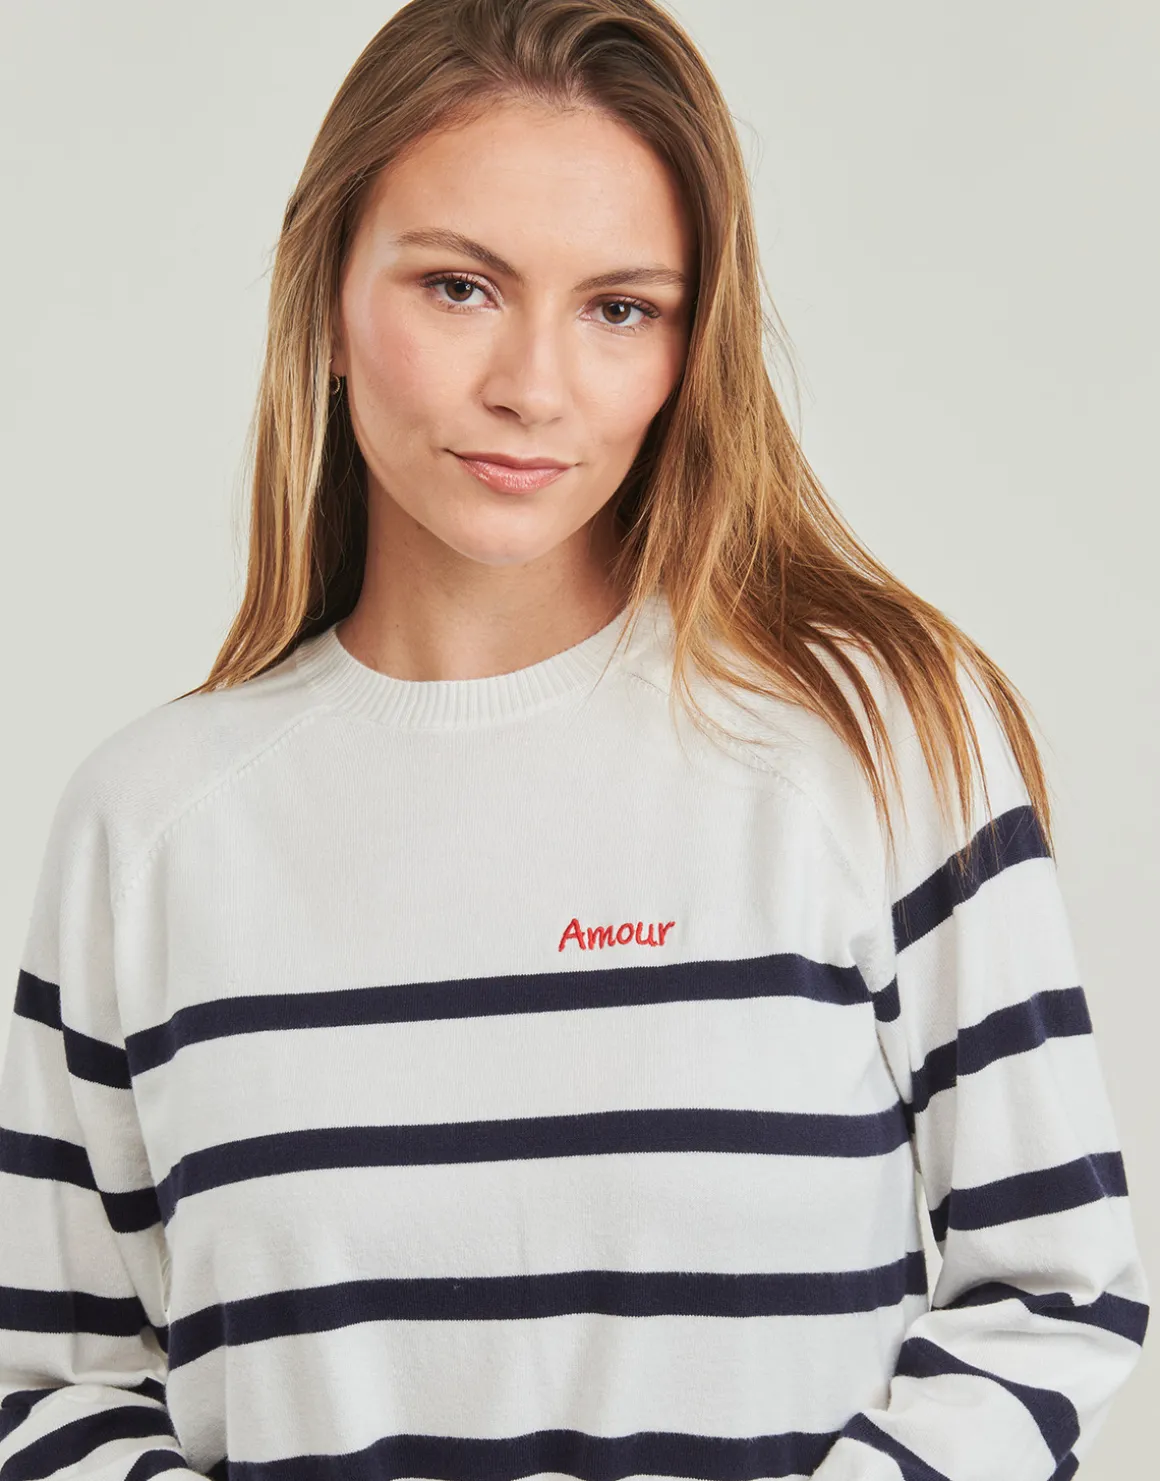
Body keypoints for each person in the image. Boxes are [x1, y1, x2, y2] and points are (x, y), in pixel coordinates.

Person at [0, 0, 1148, 1477]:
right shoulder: (148, 827)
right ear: (329, 300)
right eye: (460, 287)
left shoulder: (879, 742)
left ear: (690, 344)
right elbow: (52, 1380)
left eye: (620, 309)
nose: (532, 387)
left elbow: (1054, 1294)